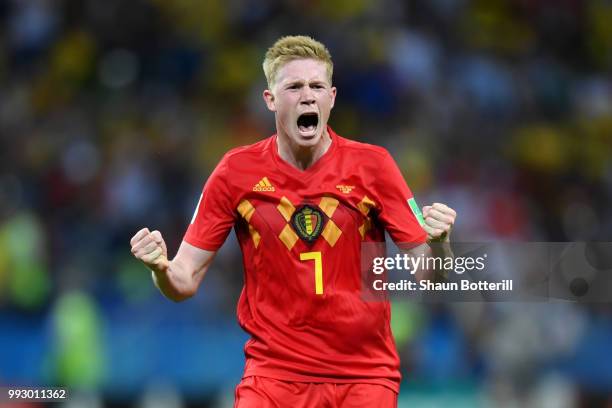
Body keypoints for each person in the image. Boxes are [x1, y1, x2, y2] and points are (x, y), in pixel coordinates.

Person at [130, 35, 456, 407]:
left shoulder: (374, 166)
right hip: (273, 377)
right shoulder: (235, 172)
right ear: (270, 100)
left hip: (363, 377)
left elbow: (431, 275)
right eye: (294, 86)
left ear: (331, 98)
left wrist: (440, 243)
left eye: (317, 86)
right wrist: (159, 268)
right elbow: (183, 281)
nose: (307, 96)